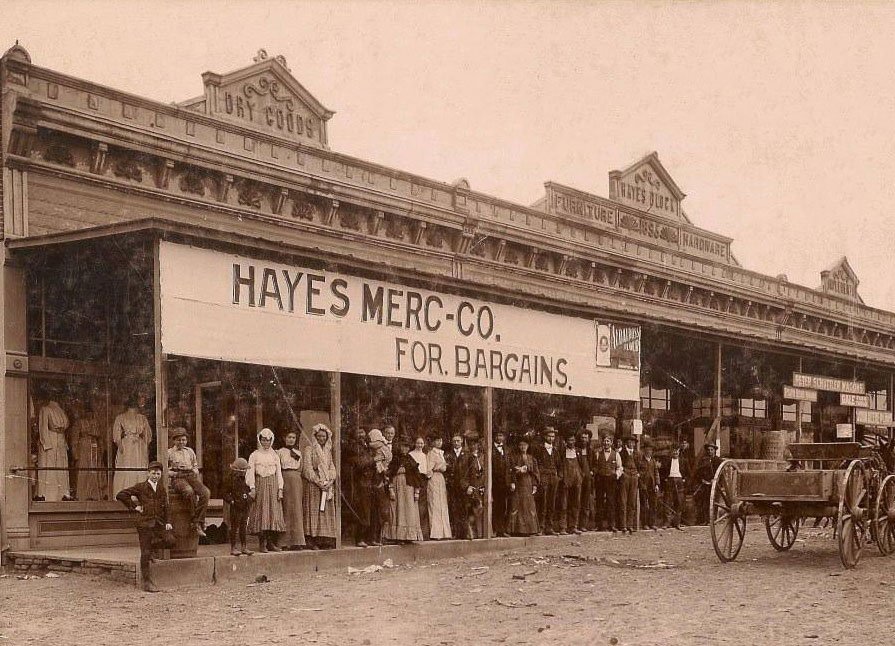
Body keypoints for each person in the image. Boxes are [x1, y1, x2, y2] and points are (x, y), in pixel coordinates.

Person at [115, 461, 172, 592]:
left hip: (158, 523)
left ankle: (151, 547)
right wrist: (135, 506)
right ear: (148, 473)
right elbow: (121, 494)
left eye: (158, 474)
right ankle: (147, 583)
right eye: (153, 473)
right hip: (144, 523)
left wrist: (168, 521)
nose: (156, 476)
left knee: (170, 541)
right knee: (145, 553)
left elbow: (167, 506)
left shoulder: (161, 488)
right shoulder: (141, 487)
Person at [246, 427, 286, 553]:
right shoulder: (254, 455)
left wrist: (280, 488)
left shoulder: (274, 455)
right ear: (260, 440)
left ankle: (270, 543)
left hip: (273, 484)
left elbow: (279, 473)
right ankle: (262, 543)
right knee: (262, 513)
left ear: (271, 441)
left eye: (268, 440)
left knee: (272, 513)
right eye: (263, 440)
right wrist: (252, 487)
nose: (266, 443)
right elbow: (250, 472)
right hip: (260, 484)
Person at [166, 427, 210, 537]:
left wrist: (194, 471)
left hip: (190, 475)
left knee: (205, 493)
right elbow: (165, 470)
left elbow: (195, 465)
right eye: (179, 440)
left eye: (183, 440)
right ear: (174, 441)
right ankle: (196, 522)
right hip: (178, 477)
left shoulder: (190, 451)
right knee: (189, 492)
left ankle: (197, 521)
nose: (181, 442)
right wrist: (174, 473)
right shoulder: (169, 452)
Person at [302, 424, 338, 549]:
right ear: (315, 437)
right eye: (319, 436)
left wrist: (330, 480)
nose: (321, 438)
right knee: (314, 512)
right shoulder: (309, 449)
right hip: (314, 485)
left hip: (326, 484)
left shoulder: (328, 451)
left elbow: (332, 467)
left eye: (324, 436)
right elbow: (307, 469)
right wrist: (318, 482)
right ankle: (312, 540)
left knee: (325, 513)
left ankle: (324, 540)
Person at [384, 436, 424, 543]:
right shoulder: (395, 460)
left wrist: (417, 491)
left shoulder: (411, 460)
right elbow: (389, 475)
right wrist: (391, 489)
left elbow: (416, 477)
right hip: (397, 488)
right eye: (403, 446)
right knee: (398, 509)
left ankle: (408, 536)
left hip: (409, 488)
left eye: (407, 447)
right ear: (399, 447)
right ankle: (398, 536)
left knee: (409, 510)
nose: (404, 449)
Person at [112, 397, 153, 495]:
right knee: (127, 465)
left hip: (139, 445)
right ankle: (124, 491)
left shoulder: (142, 418)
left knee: (139, 464)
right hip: (127, 445)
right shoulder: (121, 417)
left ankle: (139, 491)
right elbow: (116, 433)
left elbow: (147, 434)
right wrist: (120, 445)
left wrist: (145, 445)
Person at [276, 430, 306, 550]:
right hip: (285, 479)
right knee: (286, 509)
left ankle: (297, 541)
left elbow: (301, 468)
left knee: (297, 510)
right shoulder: (280, 452)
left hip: (297, 481)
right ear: (284, 438)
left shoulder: (299, 453)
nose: (291, 439)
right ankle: (285, 542)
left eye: (293, 437)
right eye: (289, 437)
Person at [37, 397, 71, 501]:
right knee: (50, 465)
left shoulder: (61, 410)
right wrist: (46, 443)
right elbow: (43, 427)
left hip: (60, 440)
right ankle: (49, 494)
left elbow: (66, 424)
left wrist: (61, 430)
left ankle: (63, 494)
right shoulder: (45, 409)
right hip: (50, 440)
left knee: (61, 465)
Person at [346, 428, 375, 547]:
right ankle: (360, 538)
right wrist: (373, 460)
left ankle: (370, 537)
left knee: (372, 511)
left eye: (362, 432)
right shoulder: (352, 447)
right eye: (358, 432)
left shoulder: (367, 446)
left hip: (370, 482)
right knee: (362, 511)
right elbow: (359, 463)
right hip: (360, 483)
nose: (361, 434)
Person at [70, 403, 105, 501]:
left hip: (95, 447)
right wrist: (75, 453)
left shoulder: (96, 422)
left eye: (91, 412)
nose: (89, 414)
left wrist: (102, 450)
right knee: (84, 469)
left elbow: (101, 438)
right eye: (87, 412)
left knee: (95, 470)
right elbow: (74, 439)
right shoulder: (79, 423)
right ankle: (83, 494)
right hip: (84, 448)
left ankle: (96, 494)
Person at [507, 435, 539, 536]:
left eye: (525, 445)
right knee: (517, 505)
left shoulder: (531, 458)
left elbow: (535, 472)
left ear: (528, 446)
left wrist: (534, 485)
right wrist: (513, 479)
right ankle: (516, 530)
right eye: (520, 445)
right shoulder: (513, 457)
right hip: (518, 484)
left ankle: (530, 530)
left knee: (529, 506)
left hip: (528, 483)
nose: (523, 447)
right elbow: (510, 470)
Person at [534, 427, 563, 535]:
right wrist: (540, 477)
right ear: (545, 437)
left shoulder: (555, 450)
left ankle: (549, 527)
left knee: (552, 502)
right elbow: (536, 464)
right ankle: (540, 527)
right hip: (543, 478)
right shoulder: (539, 449)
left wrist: (559, 477)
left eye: (553, 436)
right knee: (543, 503)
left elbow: (560, 465)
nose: (551, 438)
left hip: (553, 479)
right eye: (549, 436)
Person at [223, 458, 254, 556]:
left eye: (245, 470)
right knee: (234, 527)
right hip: (236, 506)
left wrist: (249, 498)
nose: (244, 472)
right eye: (243, 470)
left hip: (244, 505)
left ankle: (244, 547)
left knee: (243, 526)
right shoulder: (230, 479)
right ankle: (233, 547)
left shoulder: (245, 479)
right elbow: (225, 493)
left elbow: (248, 490)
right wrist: (231, 501)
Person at [367, 428, 392, 545]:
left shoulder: (374, 447)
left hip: (379, 480)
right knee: (378, 511)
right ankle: (375, 537)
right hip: (378, 481)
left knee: (378, 511)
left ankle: (376, 537)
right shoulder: (380, 447)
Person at [594, 434, 622, 532]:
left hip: (611, 481)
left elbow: (619, 467)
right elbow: (596, 466)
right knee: (599, 502)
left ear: (611, 443)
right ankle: (599, 525)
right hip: (601, 480)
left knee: (611, 502)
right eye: (605, 441)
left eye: (608, 441)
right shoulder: (598, 454)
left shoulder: (616, 454)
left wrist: (616, 475)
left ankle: (611, 524)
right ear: (602, 442)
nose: (606, 443)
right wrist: (596, 474)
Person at [459, 440, 486, 539]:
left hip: (481, 488)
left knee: (481, 510)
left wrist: (485, 486)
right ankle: (471, 534)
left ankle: (482, 534)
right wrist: (467, 486)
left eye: (475, 443)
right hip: (471, 488)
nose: (474, 446)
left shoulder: (483, 457)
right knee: (470, 512)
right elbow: (462, 474)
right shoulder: (465, 458)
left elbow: (485, 473)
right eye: (471, 444)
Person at [426, 435, 452, 540]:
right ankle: (436, 533)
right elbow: (428, 469)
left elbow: (444, 467)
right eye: (437, 440)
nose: (439, 442)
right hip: (434, 478)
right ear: (433, 442)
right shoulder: (431, 453)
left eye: (440, 440)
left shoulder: (441, 453)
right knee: (435, 504)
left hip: (441, 478)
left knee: (442, 504)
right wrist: (437, 468)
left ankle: (445, 532)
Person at [559, 432, 583, 534]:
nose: (571, 442)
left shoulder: (578, 451)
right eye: (569, 440)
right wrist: (562, 477)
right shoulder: (562, 452)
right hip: (566, 480)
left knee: (575, 503)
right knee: (564, 504)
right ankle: (562, 527)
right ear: (565, 442)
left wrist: (581, 476)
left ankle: (573, 526)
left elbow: (582, 465)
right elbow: (559, 465)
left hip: (577, 480)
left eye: (573, 440)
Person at [660, 445, 688, 530]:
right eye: (674, 451)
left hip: (679, 481)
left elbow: (688, 472)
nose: (675, 453)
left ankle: (677, 523)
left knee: (679, 502)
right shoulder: (667, 461)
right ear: (671, 452)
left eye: (677, 451)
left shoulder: (683, 461)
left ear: (679, 452)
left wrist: (684, 480)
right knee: (668, 501)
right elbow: (662, 471)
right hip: (670, 481)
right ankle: (667, 522)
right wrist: (665, 479)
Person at [694, 443, 723, 525]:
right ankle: (706, 520)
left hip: (715, 485)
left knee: (714, 502)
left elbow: (721, 473)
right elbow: (699, 472)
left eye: (711, 450)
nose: (710, 451)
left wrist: (715, 480)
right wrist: (702, 480)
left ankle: (713, 520)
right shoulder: (704, 460)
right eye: (708, 450)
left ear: (714, 451)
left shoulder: (718, 460)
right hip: (705, 485)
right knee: (705, 502)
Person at [444, 433, 466, 539]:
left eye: (458, 441)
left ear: (462, 441)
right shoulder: (448, 454)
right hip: (452, 486)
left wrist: (469, 485)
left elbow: (470, 471)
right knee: (453, 509)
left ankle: (464, 533)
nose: (456, 443)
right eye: (454, 441)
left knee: (464, 509)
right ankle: (455, 532)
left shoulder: (467, 454)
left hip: (464, 486)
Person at [409, 437, 430, 538]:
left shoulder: (425, 456)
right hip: (414, 479)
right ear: (415, 444)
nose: (420, 445)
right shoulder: (411, 455)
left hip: (423, 479)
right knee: (413, 505)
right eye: (418, 443)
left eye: (421, 443)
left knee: (423, 506)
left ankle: (423, 533)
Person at [618, 435, 639, 533]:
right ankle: (623, 525)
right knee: (623, 500)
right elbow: (618, 465)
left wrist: (638, 474)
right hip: (625, 476)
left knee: (632, 501)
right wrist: (622, 473)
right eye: (629, 442)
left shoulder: (637, 454)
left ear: (635, 443)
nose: (631, 444)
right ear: (626, 443)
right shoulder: (621, 453)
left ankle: (630, 524)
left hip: (634, 477)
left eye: (633, 442)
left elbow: (640, 466)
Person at [638, 440, 661, 530]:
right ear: (644, 451)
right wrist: (641, 485)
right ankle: (645, 523)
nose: (649, 451)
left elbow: (656, 473)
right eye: (647, 450)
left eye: (650, 450)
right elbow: (639, 474)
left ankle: (652, 523)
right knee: (644, 505)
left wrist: (657, 484)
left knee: (653, 505)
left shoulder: (653, 461)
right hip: (644, 486)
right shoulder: (640, 461)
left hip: (652, 486)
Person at [491, 430, 510, 537]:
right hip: (494, 482)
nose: (499, 438)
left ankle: (501, 530)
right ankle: (493, 529)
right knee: (494, 505)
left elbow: (509, 466)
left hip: (504, 483)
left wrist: (511, 482)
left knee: (502, 507)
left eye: (501, 436)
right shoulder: (490, 450)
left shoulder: (506, 449)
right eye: (498, 435)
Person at [577, 429, 596, 531]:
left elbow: (595, 465)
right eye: (582, 438)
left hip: (588, 479)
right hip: (578, 478)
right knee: (576, 501)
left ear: (588, 439)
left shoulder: (591, 451)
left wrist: (592, 471)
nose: (584, 440)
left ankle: (583, 525)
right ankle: (575, 524)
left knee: (586, 501)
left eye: (586, 438)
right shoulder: (576, 450)